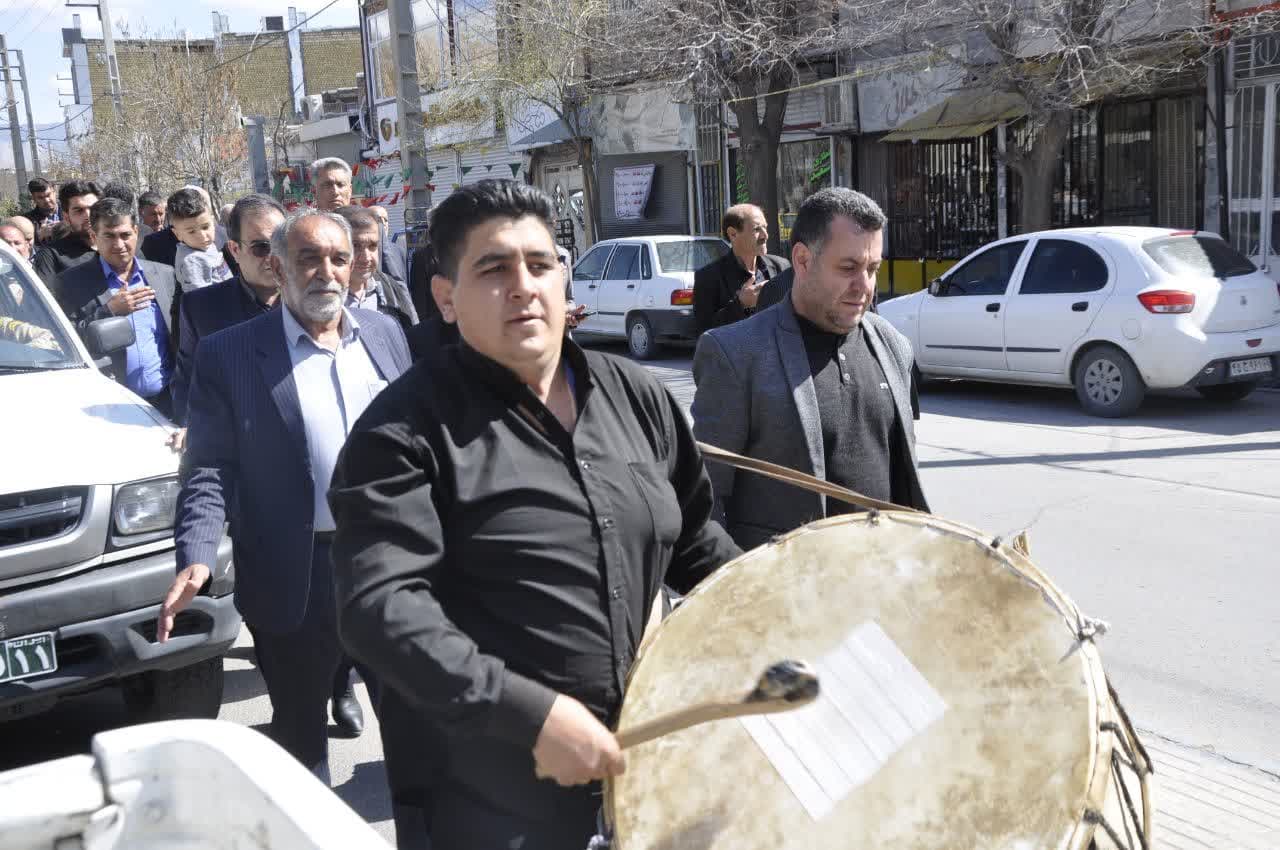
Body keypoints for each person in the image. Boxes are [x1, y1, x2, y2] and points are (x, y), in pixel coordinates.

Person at [328, 180, 741, 850]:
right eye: (493, 269)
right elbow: (380, 608)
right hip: (488, 800)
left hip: (644, 770)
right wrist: (529, 715)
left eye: (540, 264)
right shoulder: (400, 434)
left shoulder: (636, 396)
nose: (523, 286)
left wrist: (788, 605)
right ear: (445, 298)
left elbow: (694, 541)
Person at [161, 208, 411, 781]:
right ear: (277, 268)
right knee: (301, 746)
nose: (327, 271)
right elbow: (209, 466)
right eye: (309, 258)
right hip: (295, 575)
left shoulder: (385, 334)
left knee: (417, 740)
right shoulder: (228, 353)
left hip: (391, 566)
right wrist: (197, 554)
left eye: (339, 258)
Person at [691, 188, 929, 552]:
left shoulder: (893, 345)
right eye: (848, 268)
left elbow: (904, 480)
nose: (864, 286)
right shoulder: (736, 354)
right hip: (786, 582)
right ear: (802, 260)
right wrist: (743, 580)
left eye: (872, 269)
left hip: (884, 576)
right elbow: (703, 502)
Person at [51, 197, 179, 417]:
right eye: (109, 236)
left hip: (169, 401)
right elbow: (63, 343)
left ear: (136, 232)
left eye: (125, 235)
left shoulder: (164, 274)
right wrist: (108, 311)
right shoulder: (70, 283)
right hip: (109, 407)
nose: (119, 245)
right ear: (94, 237)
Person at [170, 194, 285, 427]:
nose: (273, 257)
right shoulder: (200, 308)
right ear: (234, 249)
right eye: (261, 247)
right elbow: (187, 383)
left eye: (281, 245)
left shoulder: (312, 301)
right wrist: (190, 430)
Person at [692, 203, 791, 334]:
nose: (765, 235)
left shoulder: (782, 266)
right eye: (757, 229)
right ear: (733, 234)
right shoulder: (708, 277)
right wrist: (741, 304)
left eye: (765, 228)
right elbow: (704, 332)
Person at [310, 157, 408, 284]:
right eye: (327, 185)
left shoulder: (370, 225)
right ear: (314, 191)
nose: (335, 191)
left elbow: (394, 280)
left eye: (340, 185)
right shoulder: (305, 231)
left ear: (350, 190)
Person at [335, 205, 417, 332]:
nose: (366, 257)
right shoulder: (319, 298)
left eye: (372, 246)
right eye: (355, 246)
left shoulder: (391, 290)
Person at [165, 188, 234, 293]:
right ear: (178, 234)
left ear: (213, 221)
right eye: (192, 232)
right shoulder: (191, 262)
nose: (202, 236)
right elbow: (199, 298)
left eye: (205, 227)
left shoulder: (206, 246)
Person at [32, 180, 100, 285]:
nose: (88, 216)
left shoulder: (117, 245)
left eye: (93, 208)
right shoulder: (50, 257)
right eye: (79, 210)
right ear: (66, 217)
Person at [21, 177, 60, 245]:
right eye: (40, 198)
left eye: (48, 195)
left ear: (54, 192)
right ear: (34, 199)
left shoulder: (71, 211)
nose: (46, 200)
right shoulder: (27, 221)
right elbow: (23, 245)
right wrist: (39, 236)